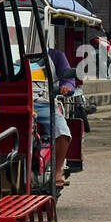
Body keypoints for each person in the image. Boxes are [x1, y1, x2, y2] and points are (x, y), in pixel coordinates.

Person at [35, 46, 76, 184]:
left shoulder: (56, 55)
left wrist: (67, 86)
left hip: (43, 103)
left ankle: (57, 170)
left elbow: (68, 79)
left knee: (62, 132)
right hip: (17, 102)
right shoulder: (8, 51)